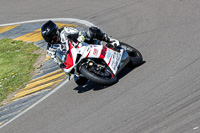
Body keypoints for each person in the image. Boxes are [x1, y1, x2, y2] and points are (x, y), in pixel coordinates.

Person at [41, 20, 120, 84]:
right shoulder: (50, 49)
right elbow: (56, 59)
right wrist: (62, 65)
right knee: (79, 81)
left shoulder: (65, 31)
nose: (54, 41)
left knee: (92, 31)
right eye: (50, 40)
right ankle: (94, 70)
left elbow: (79, 32)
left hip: (82, 45)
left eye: (54, 38)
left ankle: (110, 40)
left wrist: (80, 37)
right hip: (72, 58)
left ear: (56, 32)